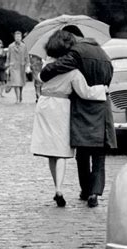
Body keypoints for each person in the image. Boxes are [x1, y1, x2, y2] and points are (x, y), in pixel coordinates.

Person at [40, 26, 117, 208]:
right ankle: (95, 193)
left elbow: (59, 67)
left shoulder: (77, 52)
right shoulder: (105, 55)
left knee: (82, 154)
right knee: (99, 155)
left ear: (74, 38)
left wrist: (46, 69)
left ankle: (85, 190)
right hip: (102, 108)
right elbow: (108, 80)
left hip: (83, 108)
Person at [6, 31, 30, 103]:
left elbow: (27, 57)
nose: (18, 38)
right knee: (15, 83)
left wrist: (27, 66)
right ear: (14, 37)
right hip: (13, 67)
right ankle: (17, 98)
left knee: (21, 83)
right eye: (16, 37)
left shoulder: (24, 46)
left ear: (21, 37)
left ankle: (20, 96)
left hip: (21, 66)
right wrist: (7, 67)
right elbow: (8, 57)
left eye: (19, 37)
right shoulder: (10, 46)